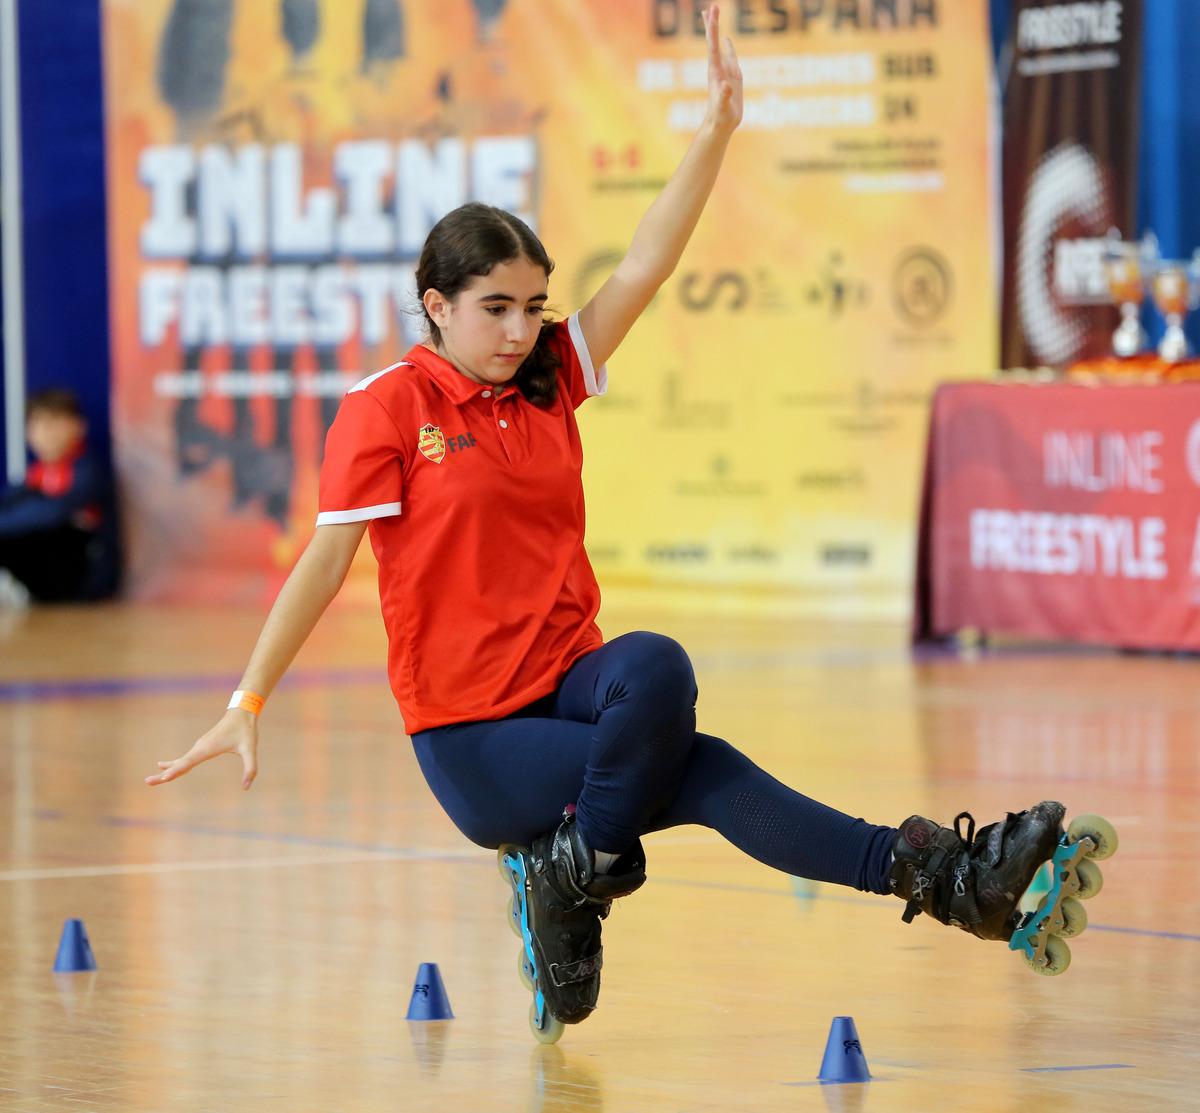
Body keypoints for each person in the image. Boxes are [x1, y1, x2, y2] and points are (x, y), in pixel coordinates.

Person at [146, 6, 1113, 1041]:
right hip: (475, 736)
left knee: (656, 667)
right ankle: (948, 881)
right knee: (703, 771)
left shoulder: (550, 376)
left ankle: (580, 873)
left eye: (534, 304)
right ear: (434, 305)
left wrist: (717, 130)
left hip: (571, 686)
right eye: (495, 308)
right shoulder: (389, 409)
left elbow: (645, 265)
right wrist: (249, 697)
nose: (522, 329)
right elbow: (324, 560)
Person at [0, 388, 119, 606]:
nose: (46, 432)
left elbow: (52, 513)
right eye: (38, 424)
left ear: (79, 427)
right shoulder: (36, 474)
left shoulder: (87, 471)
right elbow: (9, 504)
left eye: (55, 423)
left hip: (86, 576)